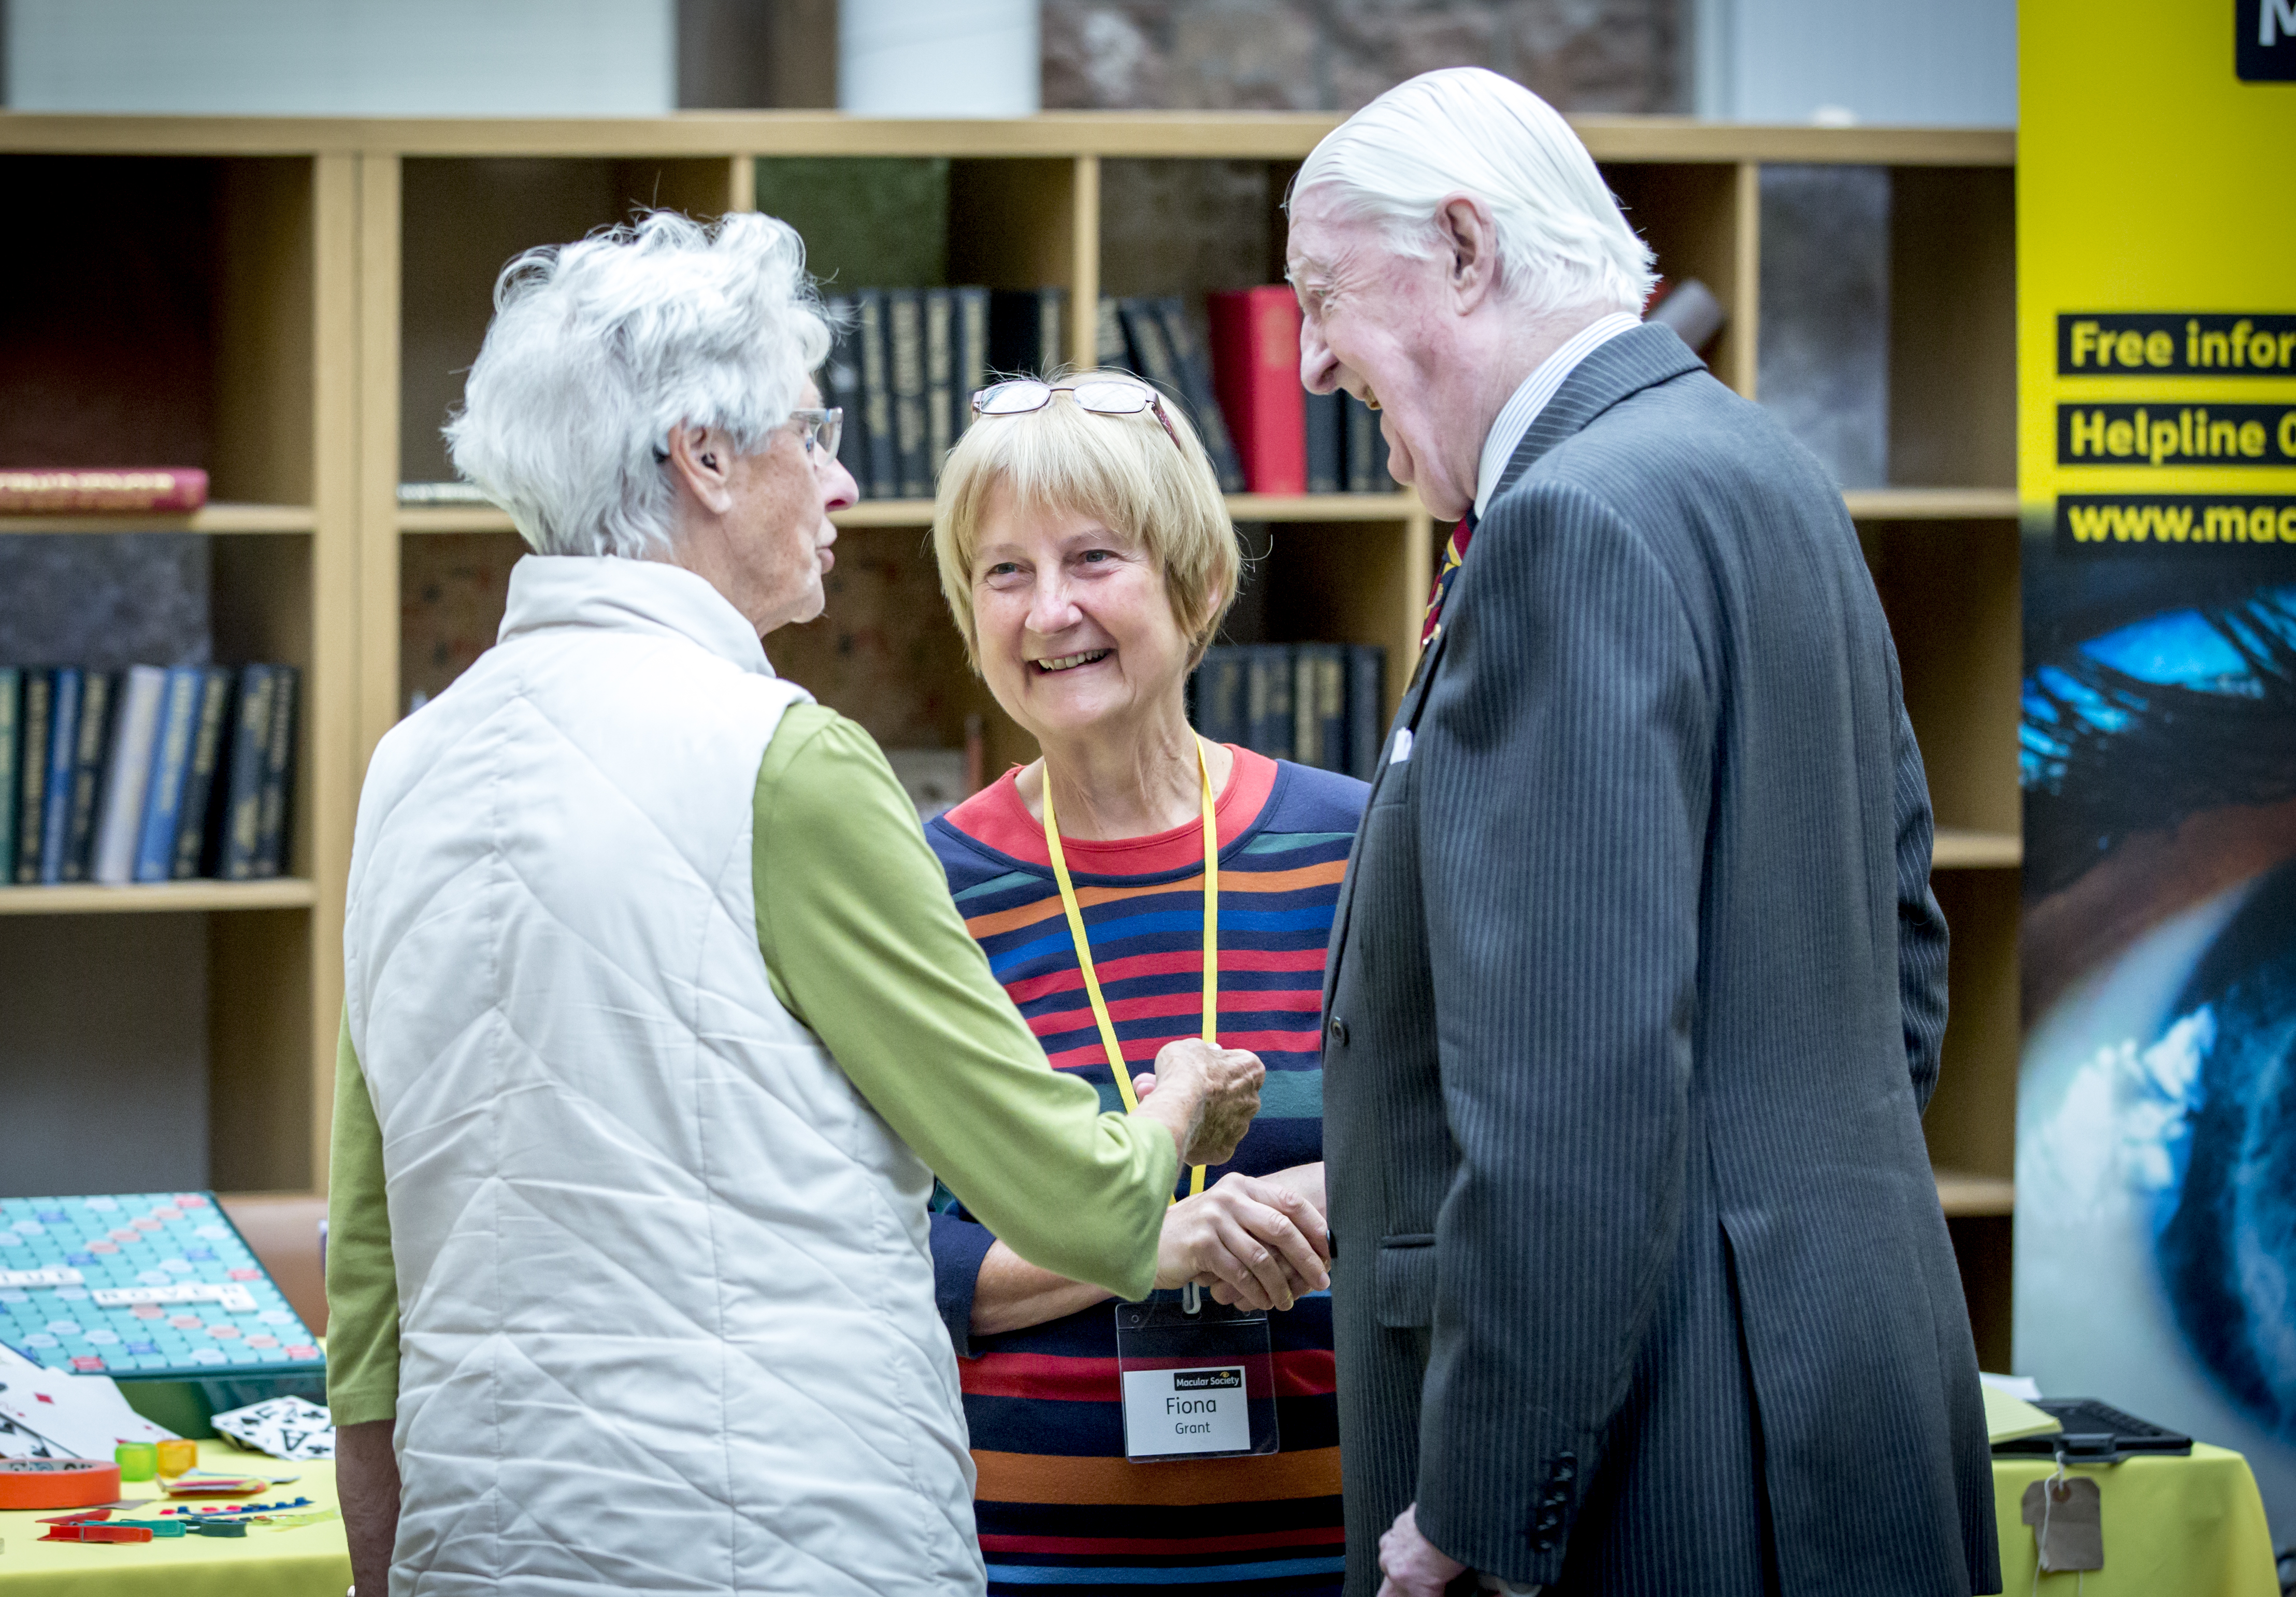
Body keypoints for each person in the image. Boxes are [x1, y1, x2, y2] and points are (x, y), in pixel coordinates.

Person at [322, 211, 1267, 1597]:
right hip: (783, 1539)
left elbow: (369, 1264)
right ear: (703, 458)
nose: (842, 485)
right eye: (813, 436)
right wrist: (1179, 1096)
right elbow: (1080, 1202)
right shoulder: (786, 759)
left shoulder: (405, 770)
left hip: (484, 1546)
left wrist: (386, 1551)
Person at [1285, 68, 2001, 1596]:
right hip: (1837, 1407)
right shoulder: (1767, 472)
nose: (1306, 358)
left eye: (1322, 294)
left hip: (1661, 1468)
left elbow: (1567, 1081)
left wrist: (1483, 1495)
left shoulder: (1567, 524)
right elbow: (1902, 963)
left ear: (1466, 253)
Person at [919, 370, 1366, 1594]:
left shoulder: (1358, 845)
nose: (1048, 610)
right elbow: (883, 1256)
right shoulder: (922, 889)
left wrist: (1361, 1183)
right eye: (1002, 571)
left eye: (1093, 557)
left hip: (1340, 1549)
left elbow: (1487, 1150)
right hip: (1017, 1558)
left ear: (1199, 580)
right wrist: (1148, 1239)